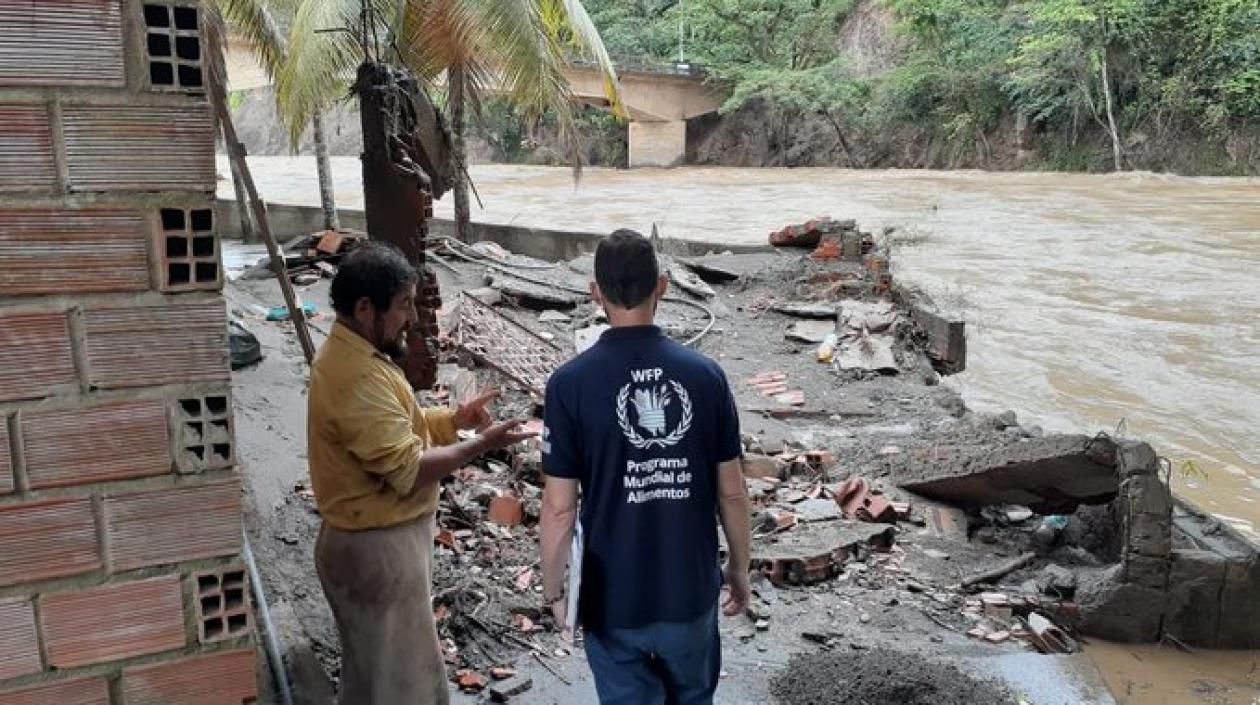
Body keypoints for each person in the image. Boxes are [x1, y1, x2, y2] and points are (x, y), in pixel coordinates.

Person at [307, 242, 534, 705]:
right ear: (365, 308)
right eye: (404, 305)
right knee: (405, 689)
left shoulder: (357, 358)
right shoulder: (356, 375)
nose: (411, 318)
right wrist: (483, 444)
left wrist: (452, 422)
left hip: (375, 544)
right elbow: (407, 469)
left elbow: (397, 426)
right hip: (376, 551)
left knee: (374, 681)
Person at [540, 229, 752, 705]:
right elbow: (732, 493)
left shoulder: (569, 385)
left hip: (614, 601)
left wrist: (555, 589)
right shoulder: (706, 377)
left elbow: (558, 509)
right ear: (664, 286)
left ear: (595, 291)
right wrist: (740, 568)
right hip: (690, 594)